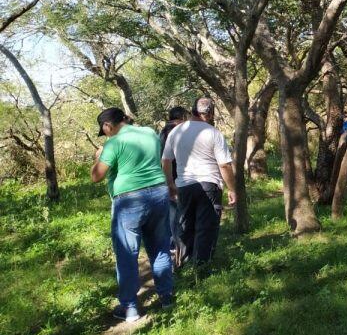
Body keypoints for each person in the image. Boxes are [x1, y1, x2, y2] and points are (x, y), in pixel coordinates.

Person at [90, 107, 174, 322]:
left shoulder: (113, 143)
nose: (106, 134)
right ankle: (167, 298)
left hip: (129, 199)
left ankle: (129, 308)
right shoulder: (149, 133)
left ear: (108, 126)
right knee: (160, 248)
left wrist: (98, 157)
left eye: (104, 130)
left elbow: (97, 176)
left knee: (127, 254)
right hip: (158, 192)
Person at [161, 97, 237, 266]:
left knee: (185, 226)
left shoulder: (176, 131)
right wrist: (232, 189)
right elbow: (224, 165)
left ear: (193, 111)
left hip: (184, 185)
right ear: (209, 113)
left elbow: (165, 161)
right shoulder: (213, 133)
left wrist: (170, 185)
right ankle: (202, 268)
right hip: (209, 185)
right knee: (206, 228)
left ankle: (185, 265)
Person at [158, 106, 189, 261]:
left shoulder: (162, 133)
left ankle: (173, 247)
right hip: (177, 178)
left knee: (172, 215)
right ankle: (179, 251)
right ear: (183, 117)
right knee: (179, 217)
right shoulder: (177, 132)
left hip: (165, 178)